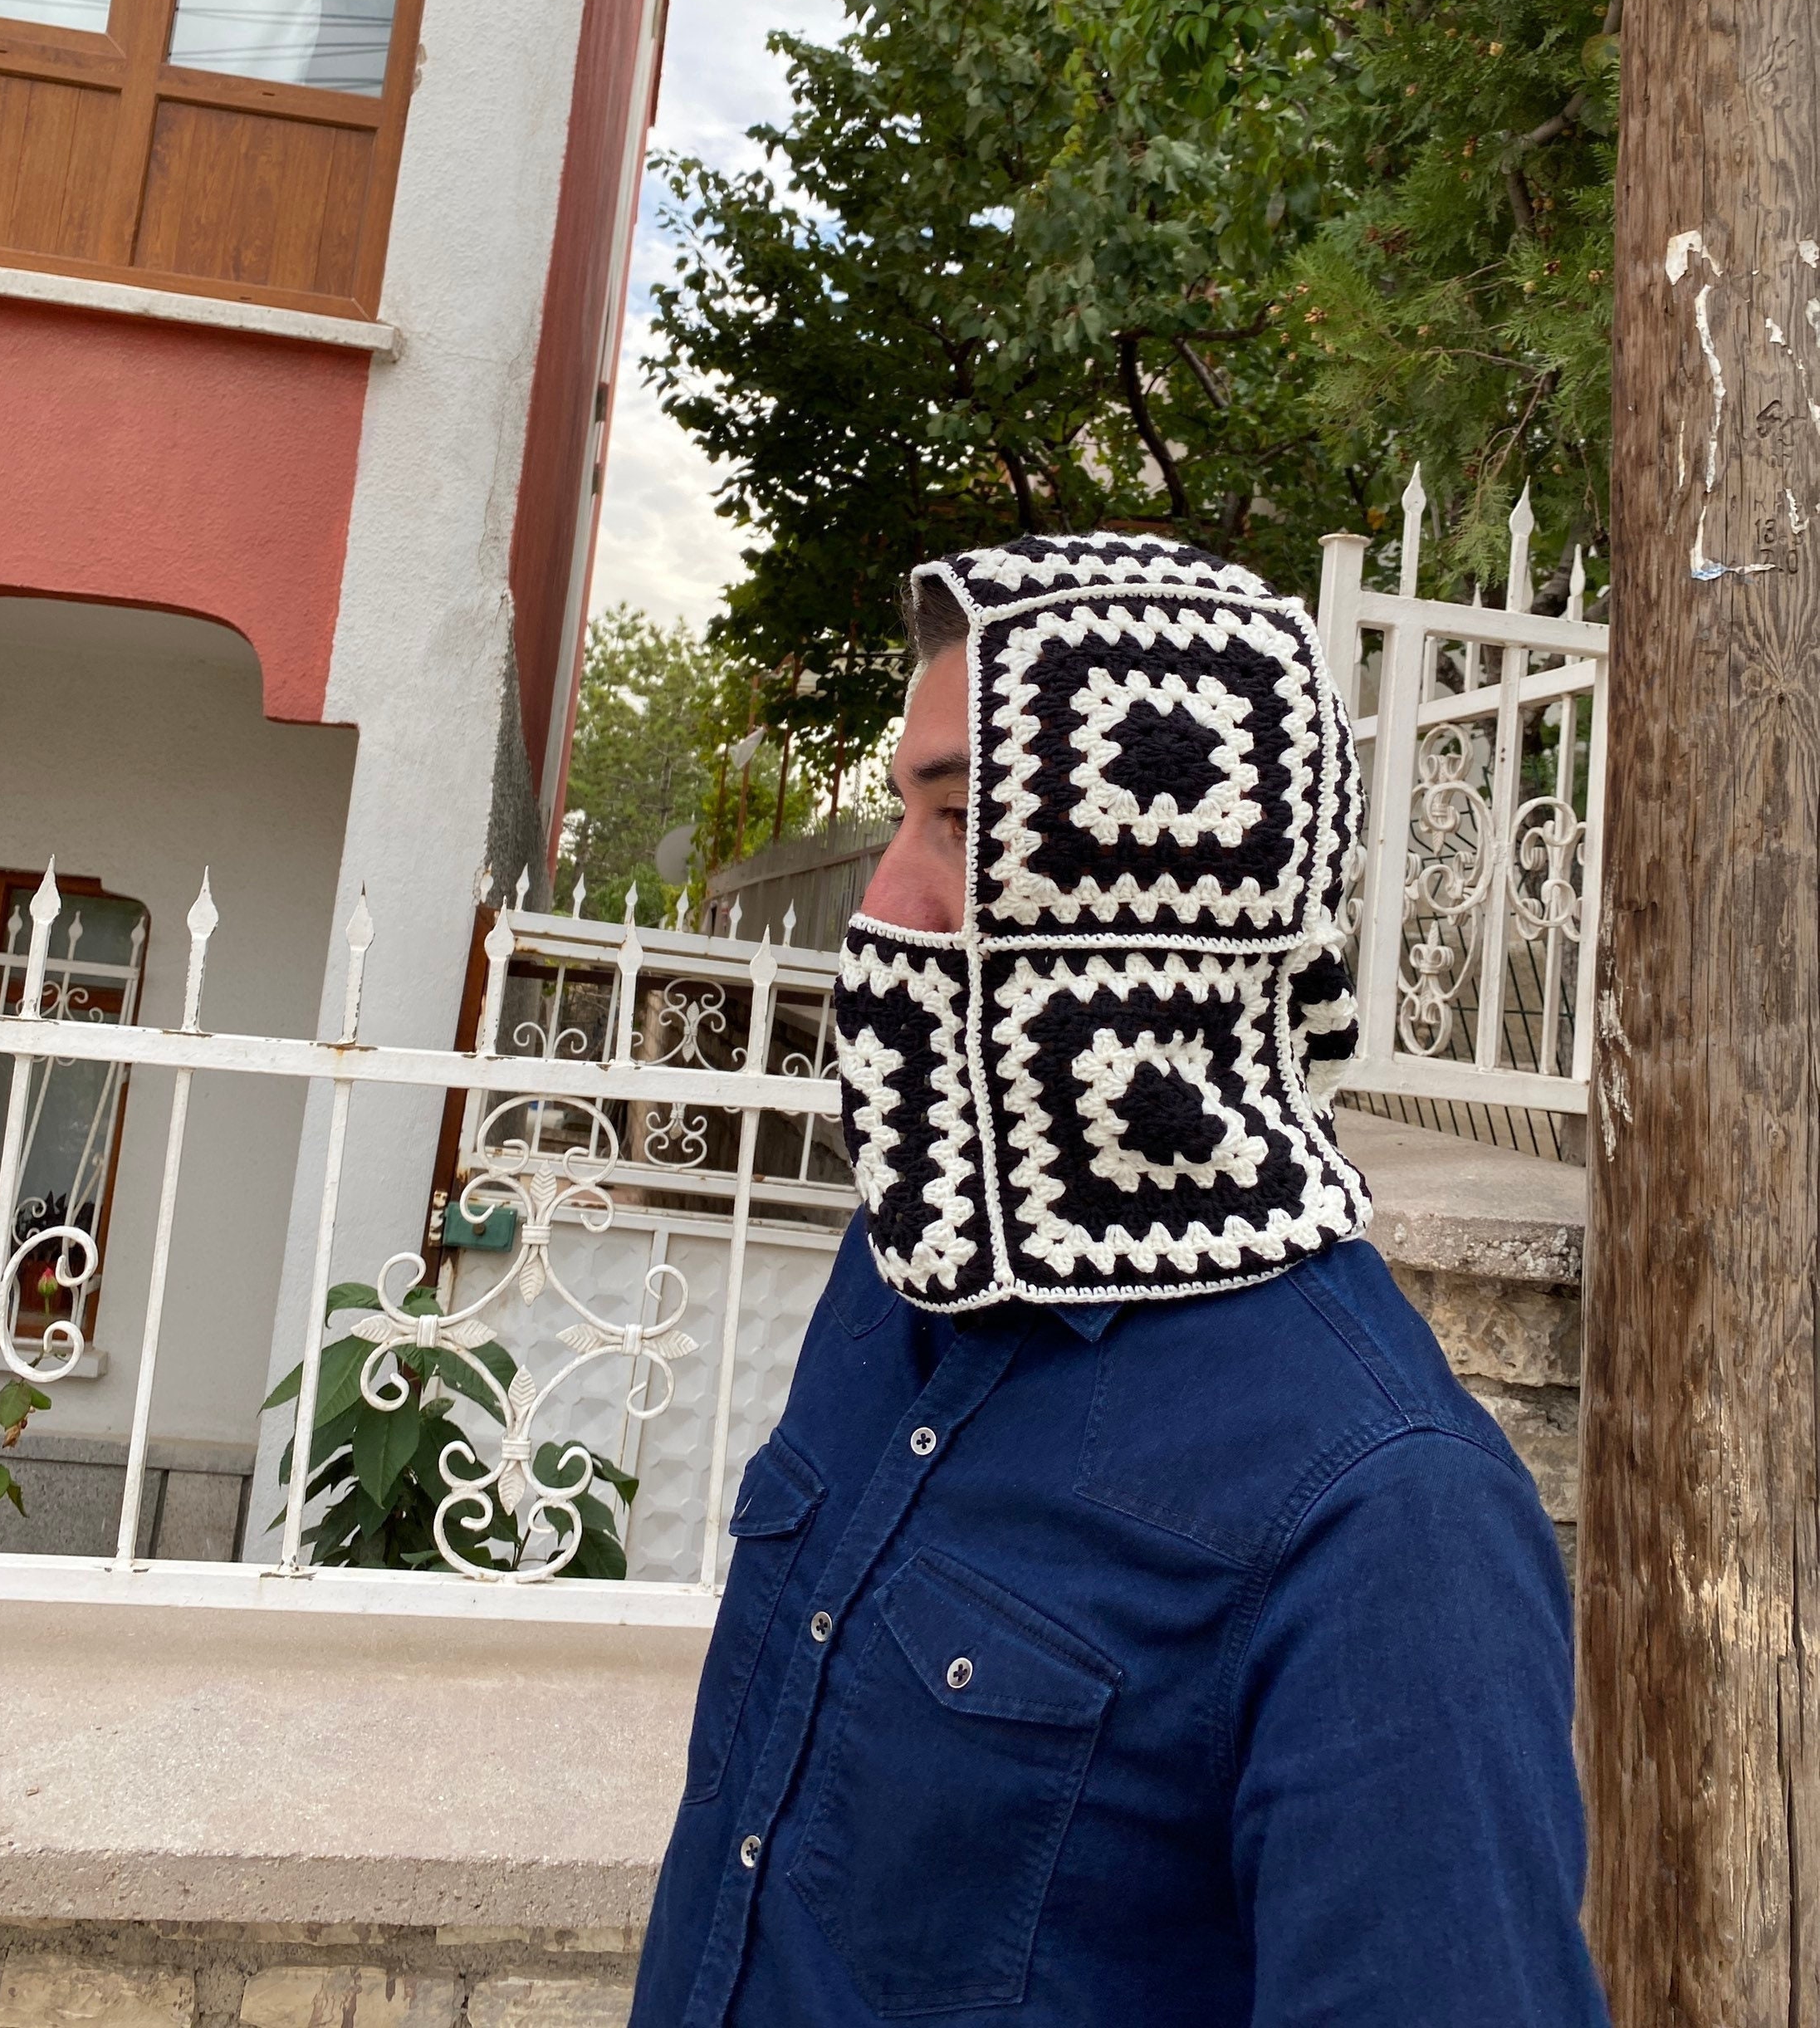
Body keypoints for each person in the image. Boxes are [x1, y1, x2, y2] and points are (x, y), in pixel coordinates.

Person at [630, 531, 1608, 2028]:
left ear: (1152, 897)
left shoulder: (1384, 1518)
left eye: (954, 825)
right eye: (902, 814)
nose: (881, 903)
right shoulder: (900, 1279)